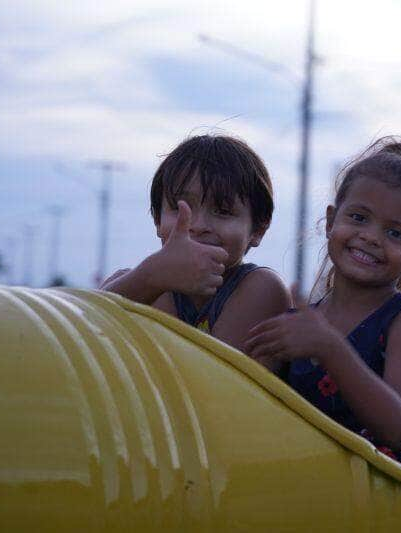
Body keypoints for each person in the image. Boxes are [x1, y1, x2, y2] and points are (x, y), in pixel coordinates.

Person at [245, 137, 401, 476]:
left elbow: (397, 428)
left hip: (385, 485)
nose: (371, 236)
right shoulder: (300, 323)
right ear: (330, 221)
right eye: (358, 217)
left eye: (396, 233)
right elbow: (248, 401)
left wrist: (330, 348)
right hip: (311, 479)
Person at [101, 134, 290, 368]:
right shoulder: (145, 281)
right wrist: (149, 278)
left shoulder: (261, 288)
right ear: (157, 219)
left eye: (222, 210)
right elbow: (81, 330)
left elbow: (214, 383)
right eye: (181, 208)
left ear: (258, 229)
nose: (198, 225)